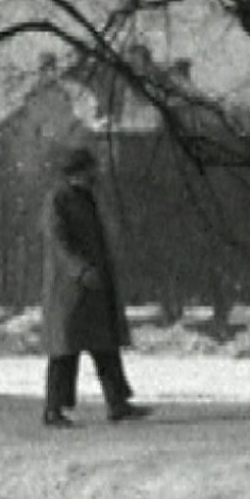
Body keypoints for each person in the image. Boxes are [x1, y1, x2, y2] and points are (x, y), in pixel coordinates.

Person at [41, 146, 150, 428]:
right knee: (65, 351)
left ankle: (118, 404)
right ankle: (54, 409)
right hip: (71, 290)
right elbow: (59, 242)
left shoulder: (86, 198)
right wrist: (81, 270)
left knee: (105, 347)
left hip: (94, 288)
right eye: (91, 168)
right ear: (78, 171)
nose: (96, 173)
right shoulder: (59, 199)